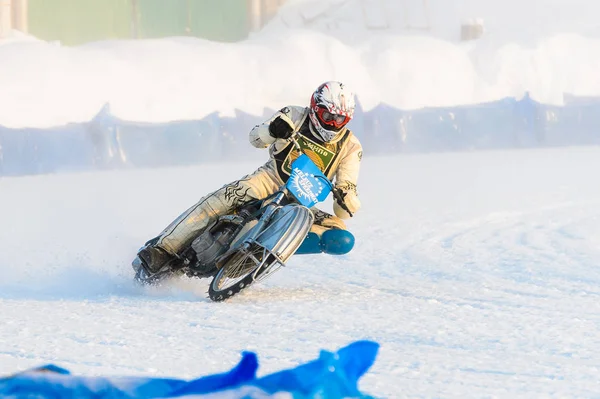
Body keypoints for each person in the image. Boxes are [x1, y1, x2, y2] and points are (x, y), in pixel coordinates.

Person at [137, 81, 363, 274]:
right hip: (269, 180)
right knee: (222, 199)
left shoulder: (350, 147)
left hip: (302, 203)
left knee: (341, 238)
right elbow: (256, 138)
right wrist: (273, 130)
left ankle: (263, 250)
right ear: (315, 108)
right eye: (328, 116)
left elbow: (346, 202)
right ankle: (163, 249)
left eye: (340, 120)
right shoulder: (294, 115)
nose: (333, 124)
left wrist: (346, 197)